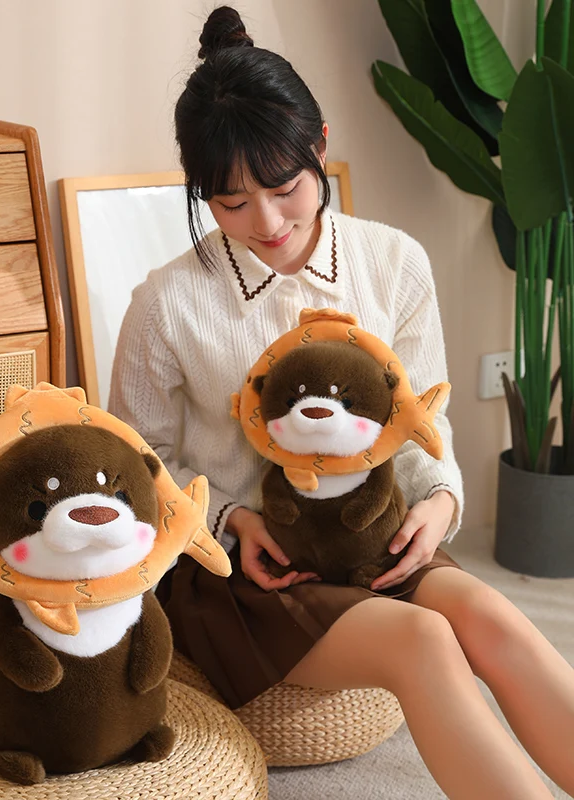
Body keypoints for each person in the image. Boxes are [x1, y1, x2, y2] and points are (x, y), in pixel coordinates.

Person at [109, 7, 574, 798]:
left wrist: (442, 504)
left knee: (492, 618)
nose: (266, 222)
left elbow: (423, 424)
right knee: (425, 642)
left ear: (319, 145)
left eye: (285, 188)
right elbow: (139, 466)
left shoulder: (394, 262)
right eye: (231, 202)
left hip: (372, 535)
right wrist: (234, 519)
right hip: (244, 572)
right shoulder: (166, 304)